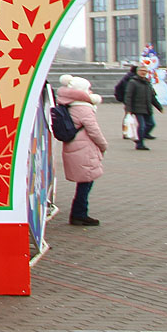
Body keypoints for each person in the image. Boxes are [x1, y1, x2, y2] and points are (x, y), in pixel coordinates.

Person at [55, 75, 108, 226]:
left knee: (84, 180)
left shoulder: (68, 104)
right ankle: (79, 213)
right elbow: (94, 130)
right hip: (84, 148)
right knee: (86, 181)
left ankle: (79, 212)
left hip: (74, 146)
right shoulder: (83, 108)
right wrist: (103, 145)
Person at [123, 66, 162, 150]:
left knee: (151, 124)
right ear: (137, 71)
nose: (143, 72)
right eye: (141, 70)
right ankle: (140, 144)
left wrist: (159, 107)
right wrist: (128, 109)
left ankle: (140, 137)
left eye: (145, 71)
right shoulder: (133, 82)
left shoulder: (147, 82)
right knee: (142, 126)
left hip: (147, 107)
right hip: (137, 108)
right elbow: (128, 96)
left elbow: (152, 97)